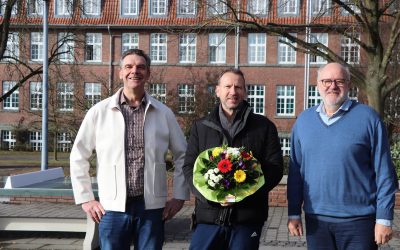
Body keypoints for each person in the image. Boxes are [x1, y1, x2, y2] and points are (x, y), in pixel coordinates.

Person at [70, 49, 189, 250]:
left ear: (148, 74)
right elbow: (78, 156)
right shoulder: (99, 112)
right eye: (129, 66)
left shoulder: (163, 113)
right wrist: (86, 199)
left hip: (151, 208)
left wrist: (179, 196)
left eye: (141, 67)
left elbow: (183, 155)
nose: (135, 71)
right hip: (112, 209)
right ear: (120, 73)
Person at [287, 62, 398, 249]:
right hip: (316, 221)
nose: (332, 86)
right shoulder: (303, 121)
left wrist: (384, 218)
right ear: (318, 84)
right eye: (327, 81)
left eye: (339, 81)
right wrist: (294, 213)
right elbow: (296, 172)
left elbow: (384, 172)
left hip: (359, 222)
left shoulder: (369, 118)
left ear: (349, 84)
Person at [183, 68, 284, 249]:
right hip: (208, 217)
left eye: (238, 87)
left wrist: (245, 191)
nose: (233, 92)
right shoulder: (201, 126)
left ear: (244, 91)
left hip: (247, 218)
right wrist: (209, 196)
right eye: (228, 86)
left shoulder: (264, 126)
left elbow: (275, 168)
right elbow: (189, 166)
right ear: (218, 90)